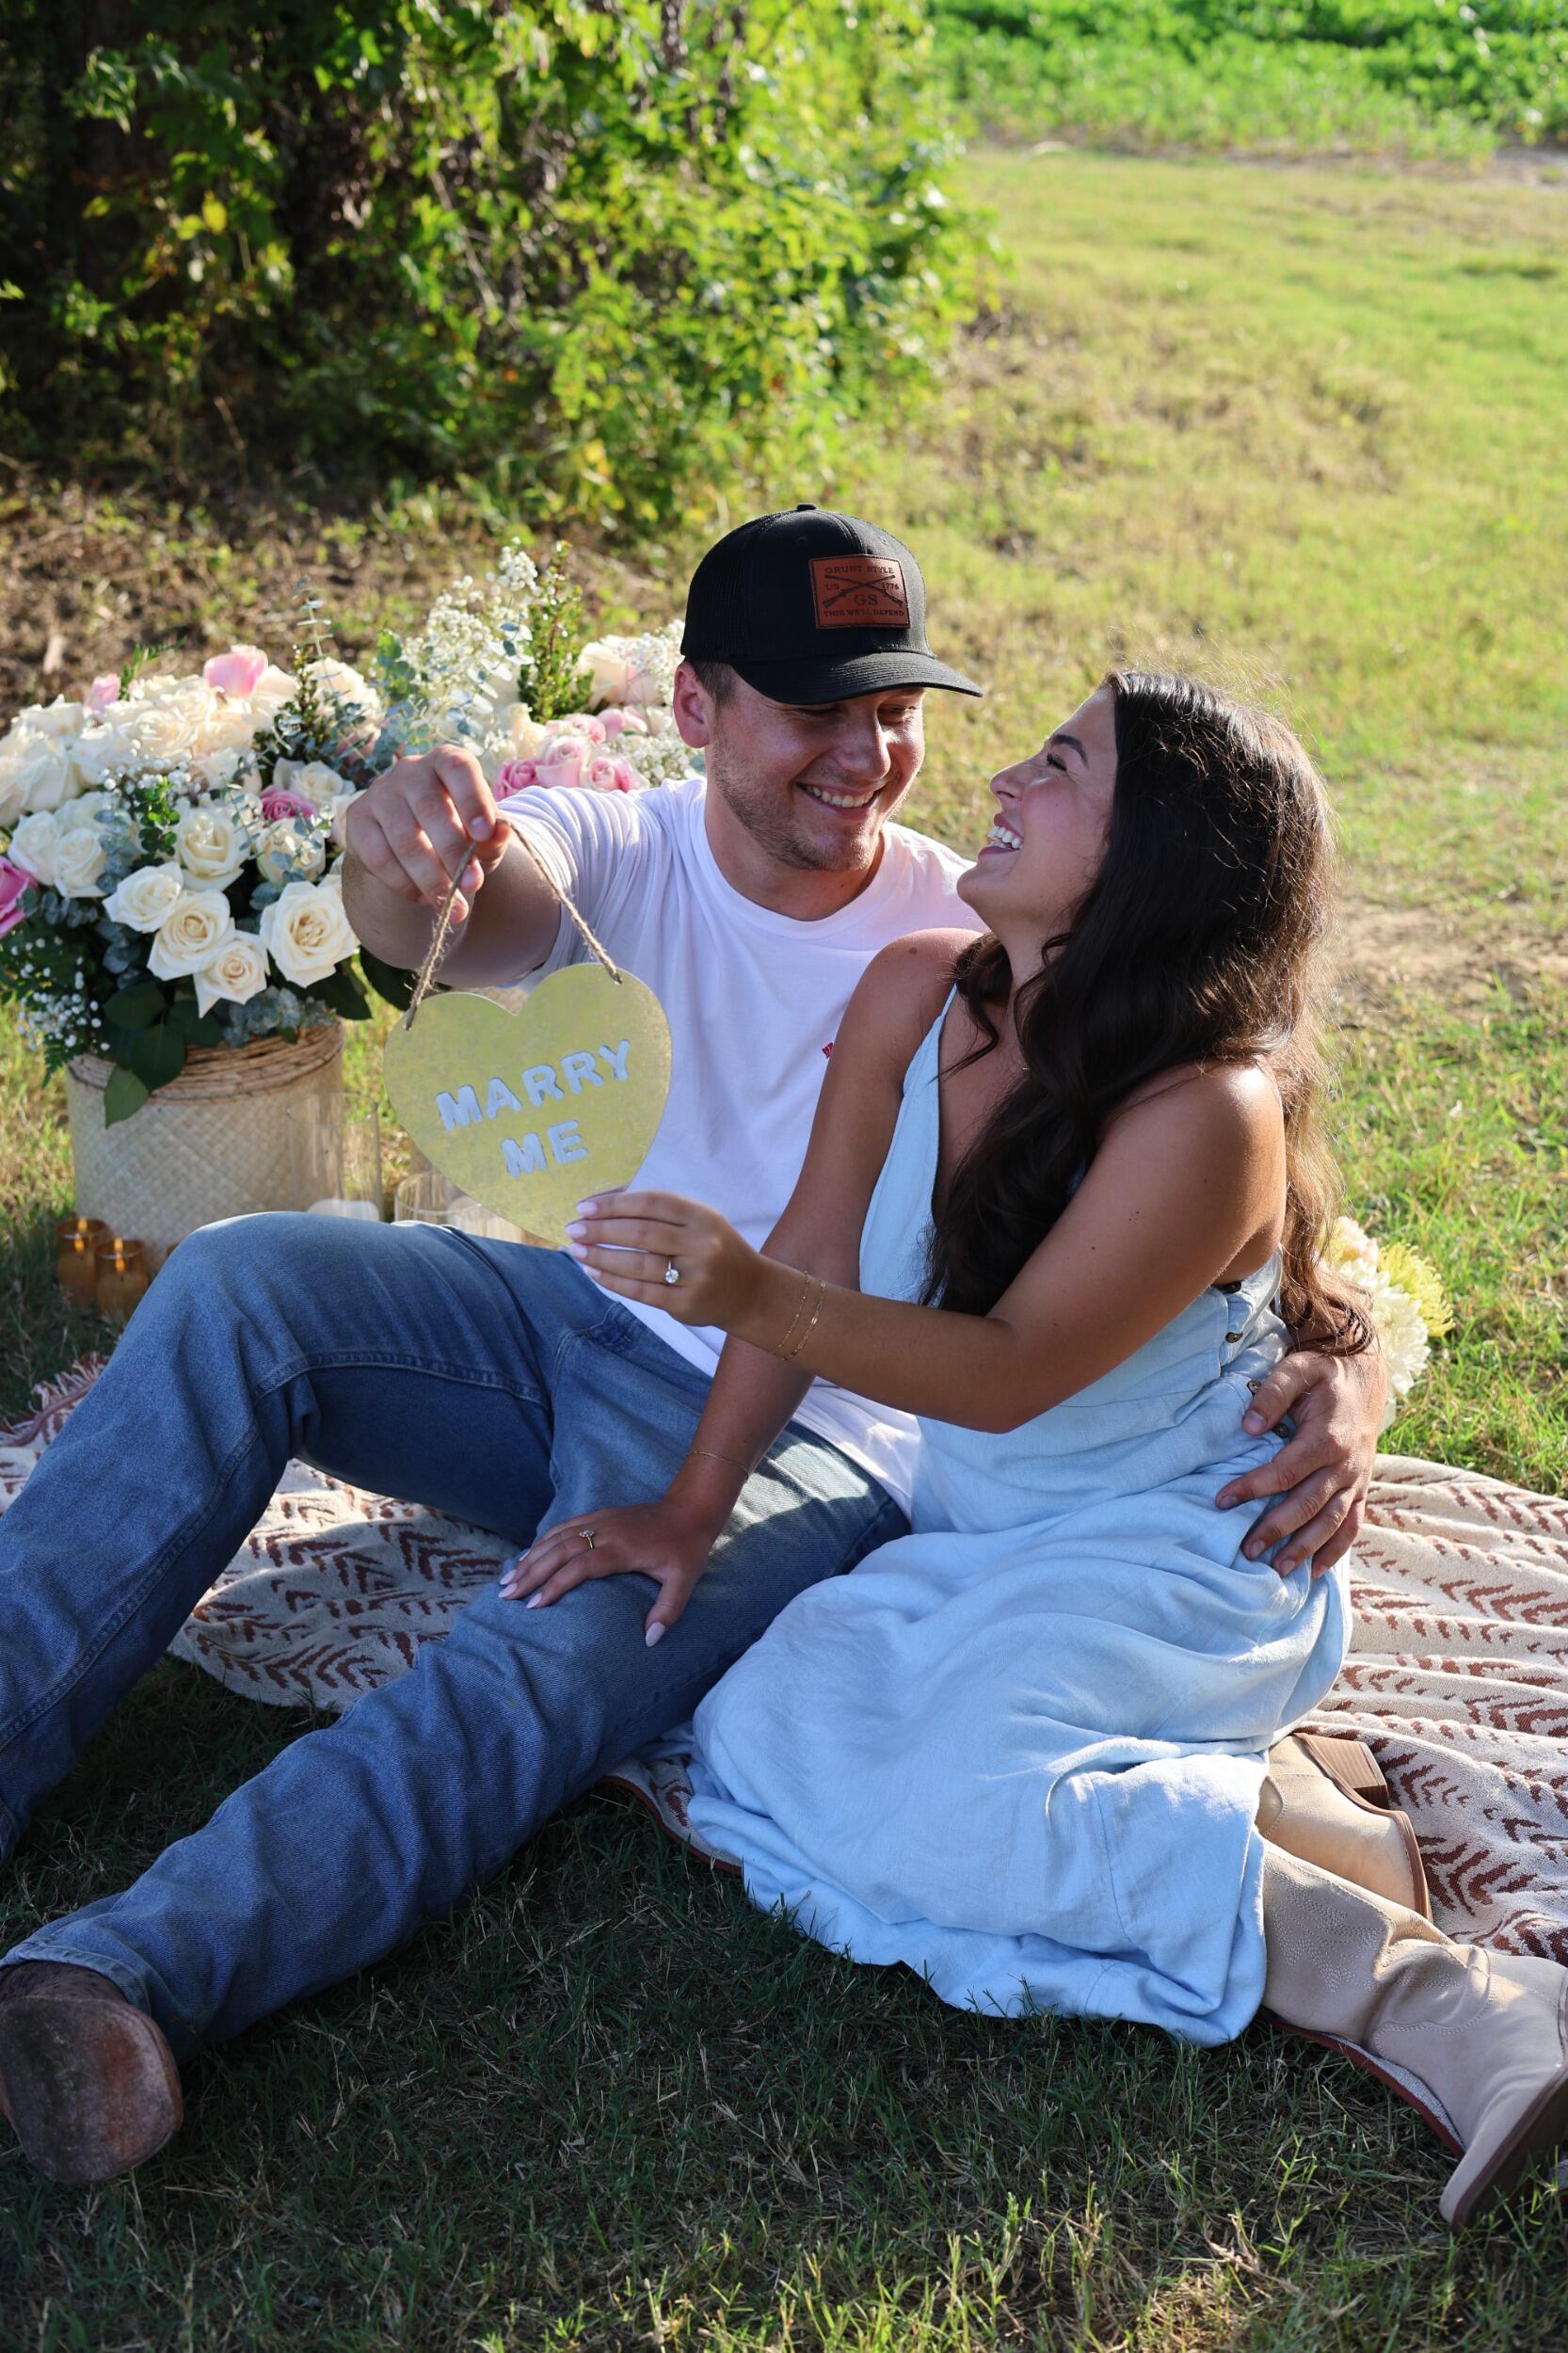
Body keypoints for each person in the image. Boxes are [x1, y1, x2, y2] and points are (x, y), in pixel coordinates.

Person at [0, 511, 1382, 2188]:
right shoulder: (614, 852)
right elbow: (428, 912)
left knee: (557, 1642)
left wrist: (1353, 1374)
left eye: (894, 708)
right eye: (811, 709)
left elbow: (1252, 1212)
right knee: (236, 1284)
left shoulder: (994, 937)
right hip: (569, 1323)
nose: (866, 756)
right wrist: (391, 839)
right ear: (695, 709)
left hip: (818, 1434)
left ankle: (125, 1973)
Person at [516, 669, 1568, 2229]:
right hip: (982, 1539)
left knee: (942, 1794)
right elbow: (812, 1253)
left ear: (1150, 855)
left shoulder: (1207, 1108)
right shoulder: (912, 991)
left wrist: (745, 1285)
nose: (1003, 777)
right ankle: (1279, 1795)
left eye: (1062, 765)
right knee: (771, 1723)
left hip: (1181, 1541)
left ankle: (1436, 2002)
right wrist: (687, 1506)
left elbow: (1000, 1376)